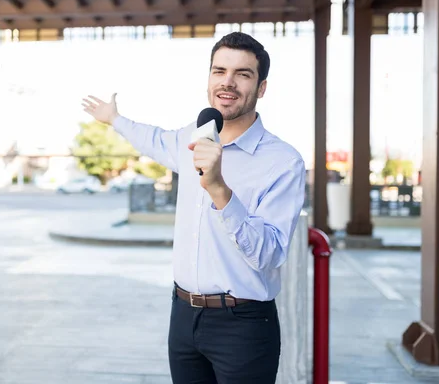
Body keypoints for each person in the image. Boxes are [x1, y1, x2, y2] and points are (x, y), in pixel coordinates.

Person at [82, 32, 306, 384]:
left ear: (261, 87)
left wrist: (219, 189)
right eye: (219, 71)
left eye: (242, 74)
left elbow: (269, 254)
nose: (227, 82)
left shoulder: (283, 162)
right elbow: (154, 139)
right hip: (183, 317)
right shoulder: (193, 136)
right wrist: (115, 119)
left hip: (243, 326)